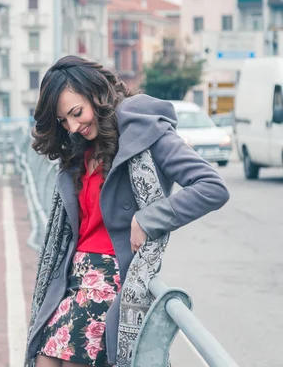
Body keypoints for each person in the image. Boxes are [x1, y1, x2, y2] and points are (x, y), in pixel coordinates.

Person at [24, 56, 230, 367]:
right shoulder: (81, 146)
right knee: (42, 359)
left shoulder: (147, 132)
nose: (74, 127)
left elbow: (212, 187)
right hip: (70, 276)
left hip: (115, 277)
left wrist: (149, 218)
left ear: (96, 93)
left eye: (76, 113)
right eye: (64, 121)